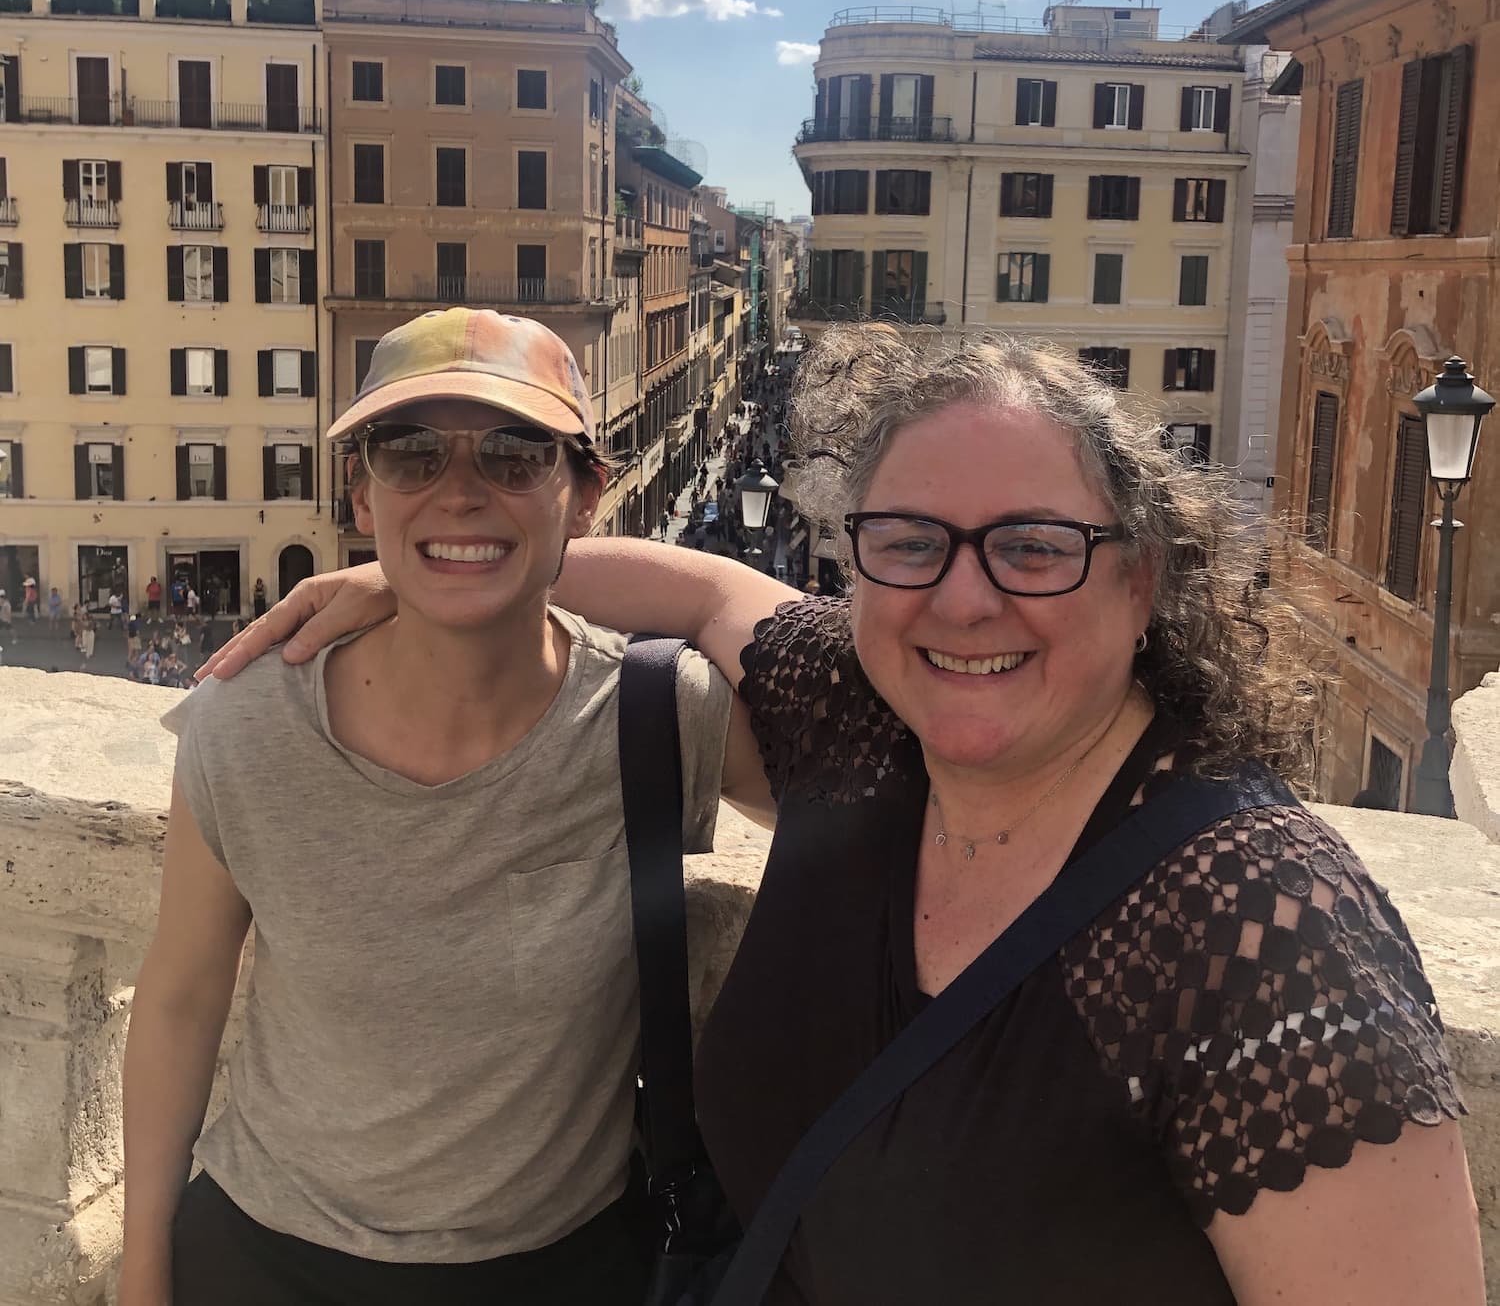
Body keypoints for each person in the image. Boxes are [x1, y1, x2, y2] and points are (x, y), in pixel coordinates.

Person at [213, 328, 1485, 1305]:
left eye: (1034, 547)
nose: (965, 599)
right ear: (858, 560)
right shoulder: (870, 727)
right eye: (911, 540)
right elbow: (701, 584)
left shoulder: (1266, 928)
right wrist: (426, 573)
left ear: (1146, 577)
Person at [123, 308, 762, 1306]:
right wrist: (144, 1269)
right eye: (410, 454)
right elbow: (179, 999)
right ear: (361, 492)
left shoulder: (656, 715)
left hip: (563, 1270)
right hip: (262, 1260)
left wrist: (441, 565)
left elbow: (889, 727)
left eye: (514, 458)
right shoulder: (244, 724)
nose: (459, 490)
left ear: (586, 493)